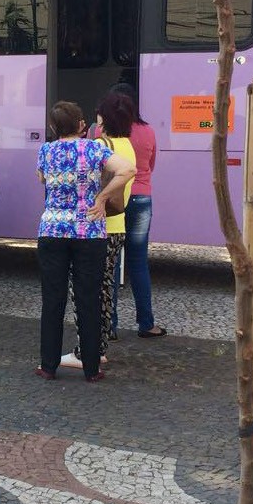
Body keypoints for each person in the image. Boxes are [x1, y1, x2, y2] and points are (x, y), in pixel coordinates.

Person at [34, 101, 133, 382]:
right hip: (89, 232)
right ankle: (91, 368)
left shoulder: (46, 150)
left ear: (53, 127)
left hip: (52, 230)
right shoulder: (94, 148)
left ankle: (48, 365)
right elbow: (126, 170)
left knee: (52, 299)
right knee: (88, 297)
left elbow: (41, 179)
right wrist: (101, 198)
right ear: (81, 125)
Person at [63, 91, 136, 369]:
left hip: (97, 225)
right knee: (104, 288)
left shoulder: (100, 145)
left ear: (103, 117)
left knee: (85, 289)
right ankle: (99, 347)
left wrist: (100, 198)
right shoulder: (127, 145)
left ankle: (86, 351)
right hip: (118, 227)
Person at [108, 83, 164, 338]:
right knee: (138, 262)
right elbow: (151, 165)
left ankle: (109, 326)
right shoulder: (149, 131)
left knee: (110, 263)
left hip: (113, 200)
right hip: (141, 198)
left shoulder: (102, 131)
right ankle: (146, 323)